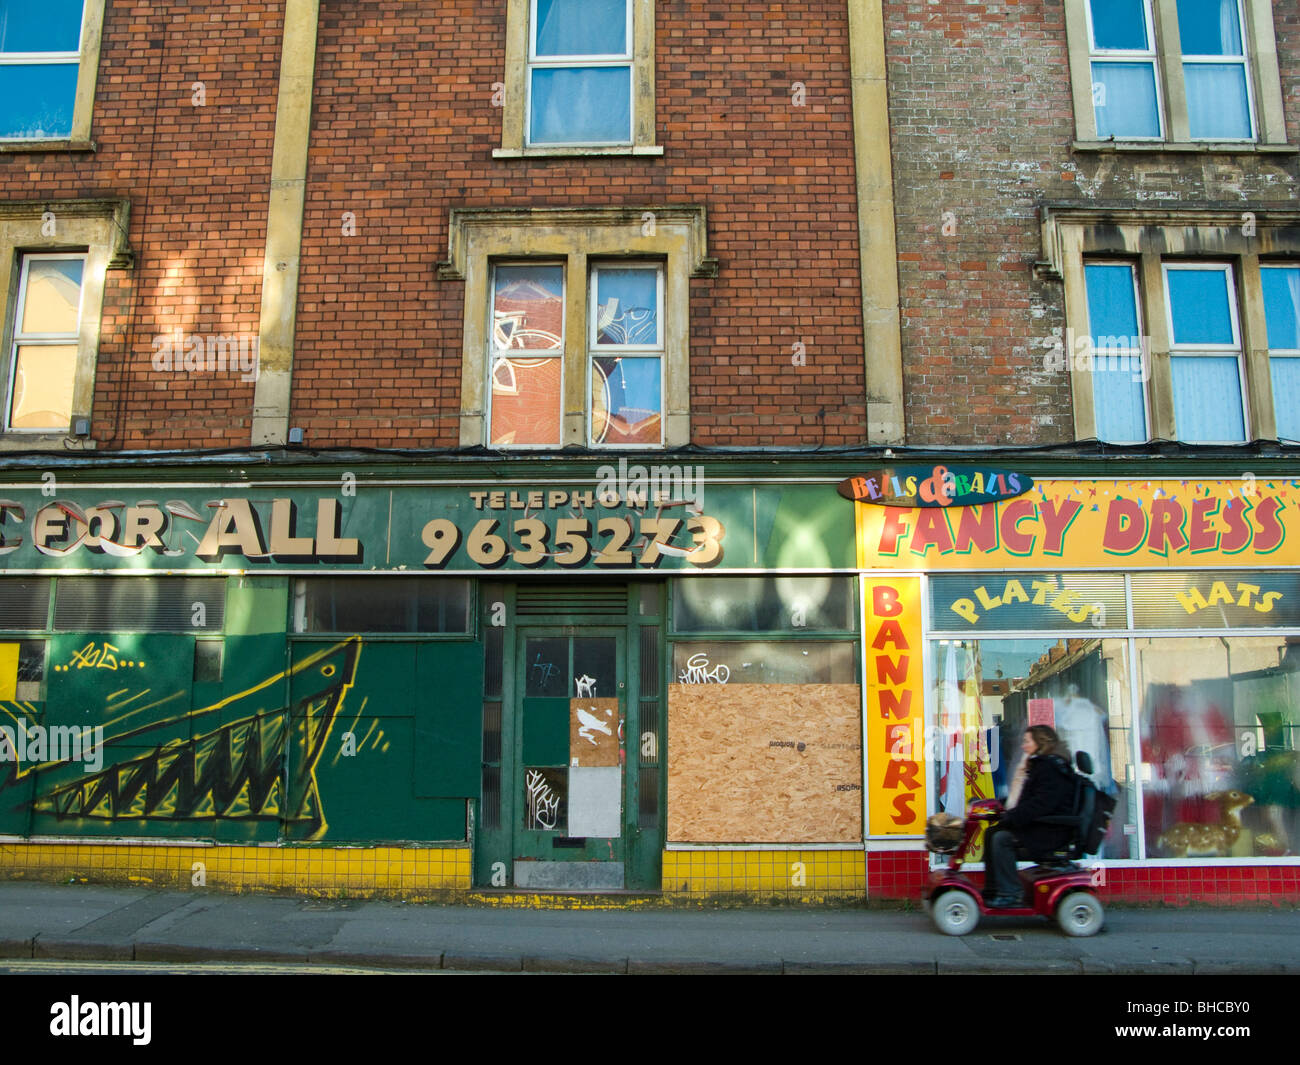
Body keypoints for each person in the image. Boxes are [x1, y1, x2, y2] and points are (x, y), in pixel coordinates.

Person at [983, 725, 1076, 908]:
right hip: (1043, 825)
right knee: (992, 833)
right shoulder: (1046, 764)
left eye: (1027, 742)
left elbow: (1041, 804)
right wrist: (1000, 805)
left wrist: (1012, 817)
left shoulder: (1049, 767)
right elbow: (1028, 799)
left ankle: (1011, 893)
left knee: (1001, 838)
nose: (1023, 746)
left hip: (1050, 831)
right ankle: (995, 889)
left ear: (1040, 743)